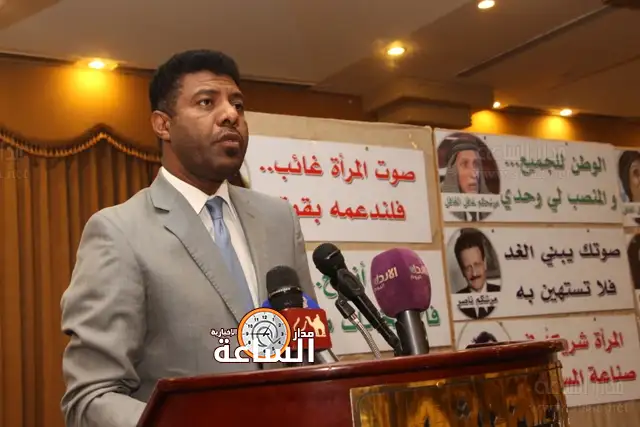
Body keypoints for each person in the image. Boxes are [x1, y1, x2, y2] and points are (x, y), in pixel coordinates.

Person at [59, 50, 316, 427]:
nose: (230, 115)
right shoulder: (119, 231)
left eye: (238, 105)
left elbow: (307, 350)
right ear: (163, 125)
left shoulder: (279, 219)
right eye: (207, 102)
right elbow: (92, 396)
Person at [440, 132, 491, 221]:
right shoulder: (439, 206)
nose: (474, 174)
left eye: (476, 164)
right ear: (452, 172)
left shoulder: (493, 203)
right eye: (464, 164)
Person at [453, 230, 500, 319]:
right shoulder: (455, 302)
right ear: (462, 271)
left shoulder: (501, 293)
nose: (474, 273)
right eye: (468, 268)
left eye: (477, 265)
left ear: (485, 263)